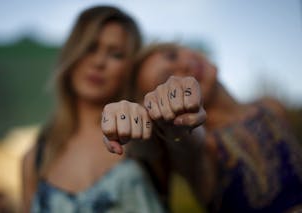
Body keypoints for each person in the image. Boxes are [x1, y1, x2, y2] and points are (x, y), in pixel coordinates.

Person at [102, 43, 302, 213]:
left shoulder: (270, 106)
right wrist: (172, 126)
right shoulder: (208, 145)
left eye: (173, 55)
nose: (183, 65)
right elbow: (190, 147)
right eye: (167, 78)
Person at [22, 6, 168, 213]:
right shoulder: (34, 160)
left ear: (129, 68)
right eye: (90, 48)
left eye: (116, 54)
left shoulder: (144, 133)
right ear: (72, 53)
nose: (99, 62)